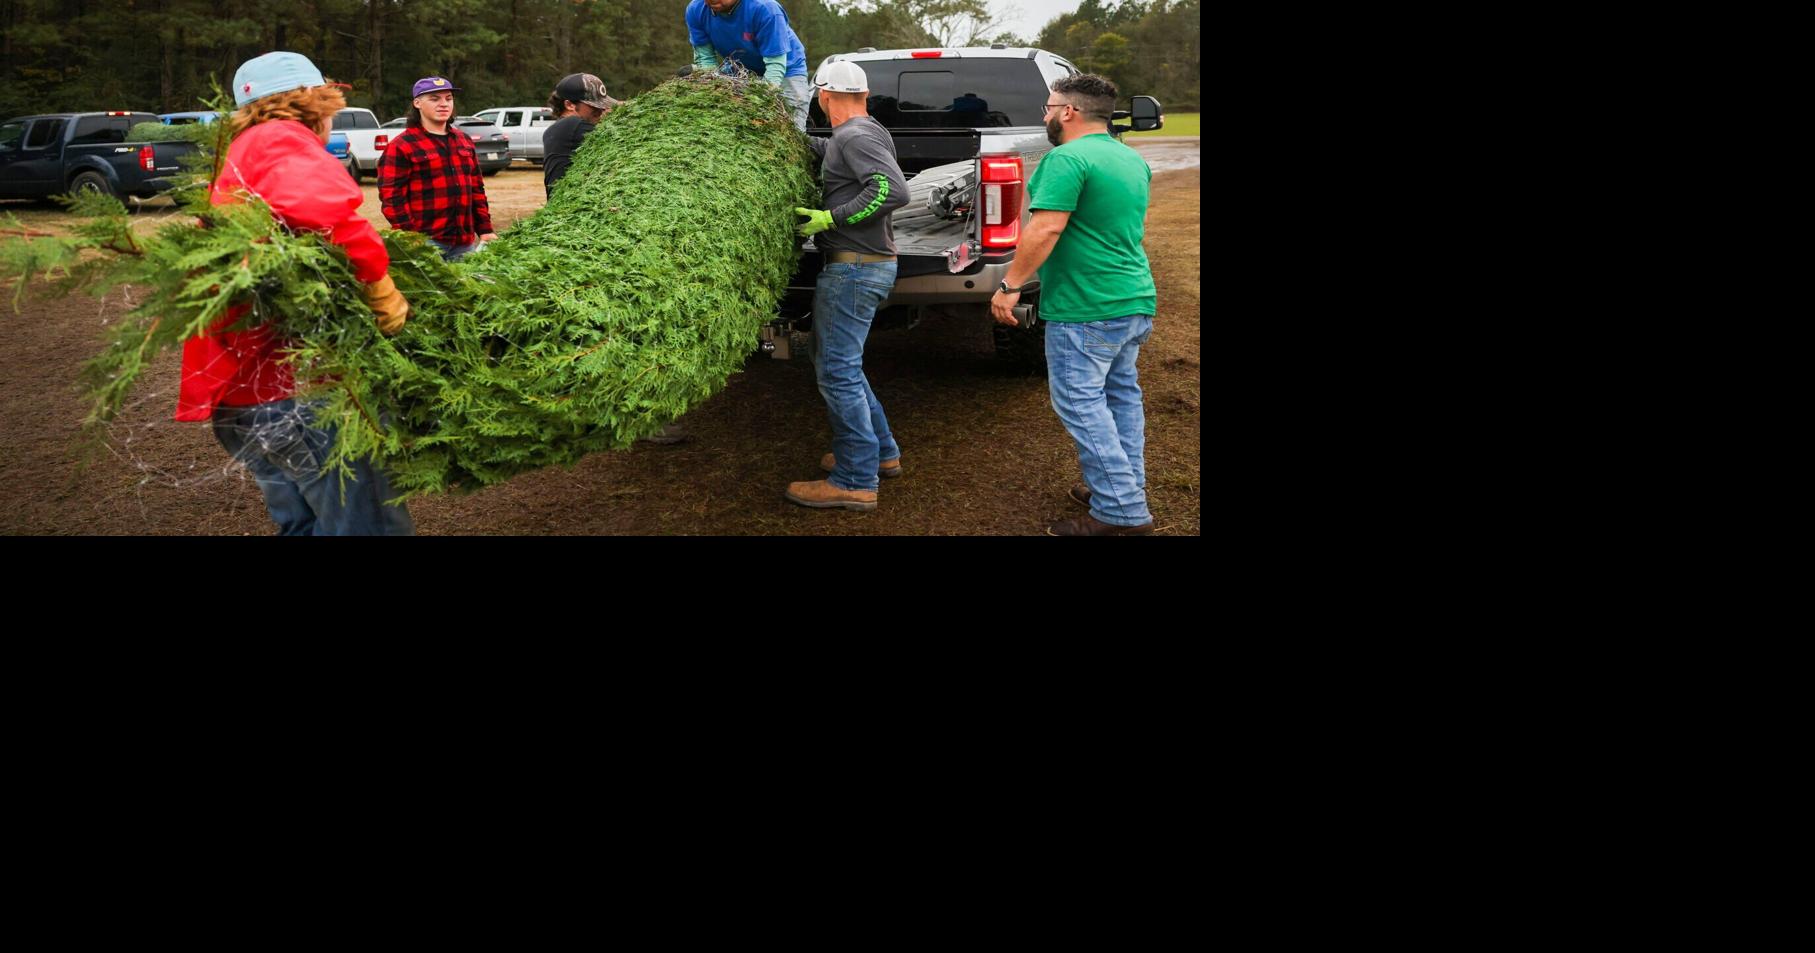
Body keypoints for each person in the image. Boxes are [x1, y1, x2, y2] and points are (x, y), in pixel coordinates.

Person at [176, 50, 414, 535]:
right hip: (294, 395)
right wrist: (378, 284)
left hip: (244, 398)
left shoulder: (242, 155)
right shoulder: (279, 138)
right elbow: (327, 214)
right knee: (367, 526)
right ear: (311, 101)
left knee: (303, 525)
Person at [989, 74, 1158, 536]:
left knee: (1080, 403)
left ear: (1069, 112)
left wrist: (1010, 285)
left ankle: (1121, 511)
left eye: (1048, 107)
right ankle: (1122, 487)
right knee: (1120, 396)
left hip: (1087, 305)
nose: (1044, 115)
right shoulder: (1129, 159)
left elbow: (1045, 229)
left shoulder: (1065, 159)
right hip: (1133, 298)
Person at [783, 61, 908, 512]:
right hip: (866, 267)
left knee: (837, 372)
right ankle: (881, 453)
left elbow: (893, 191)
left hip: (855, 269)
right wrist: (794, 141)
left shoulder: (855, 136)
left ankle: (855, 478)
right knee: (842, 366)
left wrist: (829, 218)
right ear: (865, 93)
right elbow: (836, 151)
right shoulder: (862, 131)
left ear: (822, 96)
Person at [378, 75, 496, 261]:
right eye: (434, 99)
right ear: (417, 103)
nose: (444, 104)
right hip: (426, 244)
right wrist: (411, 238)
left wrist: (485, 229)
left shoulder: (463, 141)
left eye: (448, 98)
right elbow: (392, 199)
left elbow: (476, 190)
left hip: (464, 244)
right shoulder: (402, 145)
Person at [685, 0, 811, 131]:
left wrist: (760, 101)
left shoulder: (765, 9)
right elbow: (707, 60)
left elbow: (775, 66)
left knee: (790, 128)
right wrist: (710, 89)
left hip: (785, 67)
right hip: (740, 67)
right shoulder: (696, 10)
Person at [543, 72, 620, 199]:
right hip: (572, 210)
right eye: (593, 106)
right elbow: (622, 139)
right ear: (569, 105)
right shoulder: (572, 125)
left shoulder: (560, 129)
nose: (600, 111)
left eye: (602, 106)